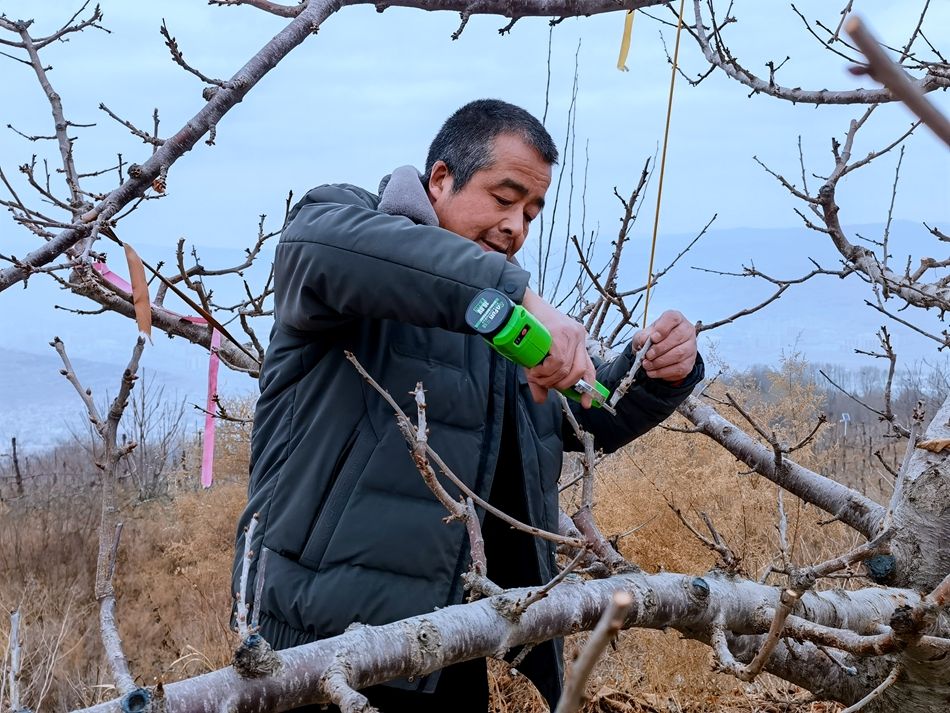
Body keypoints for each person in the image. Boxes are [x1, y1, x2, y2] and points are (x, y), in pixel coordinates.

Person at [232, 99, 703, 711]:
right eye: (503, 199)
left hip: (453, 651)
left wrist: (659, 372)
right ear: (440, 179)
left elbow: (583, 416)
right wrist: (516, 295)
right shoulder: (343, 225)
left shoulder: (502, 332)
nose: (517, 227)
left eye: (531, 212)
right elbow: (327, 252)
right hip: (317, 645)